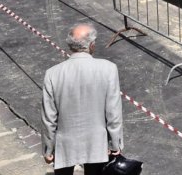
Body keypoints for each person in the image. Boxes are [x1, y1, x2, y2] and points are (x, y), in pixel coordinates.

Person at [41, 23, 123, 175]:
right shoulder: (108, 69)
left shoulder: (52, 74)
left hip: (65, 144)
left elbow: (49, 118)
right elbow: (113, 112)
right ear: (92, 45)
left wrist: (48, 148)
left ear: (70, 45)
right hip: (97, 143)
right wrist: (115, 143)